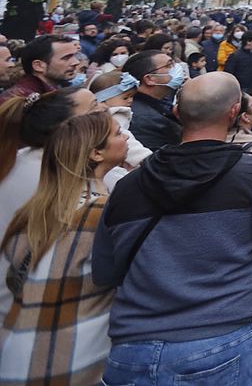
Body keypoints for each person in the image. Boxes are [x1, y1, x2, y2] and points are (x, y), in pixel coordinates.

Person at [92, 73, 252, 386]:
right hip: (219, 338)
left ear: (176, 112)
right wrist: (233, 289)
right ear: (234, 112)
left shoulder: (128, 186)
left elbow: (106, 269)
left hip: (132, 346)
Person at [0, 110, 123, 386]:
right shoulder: (101, 211)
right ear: (96, 154)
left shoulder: (35, 211)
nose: (126, 135)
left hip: (17, 354)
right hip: (72, 359)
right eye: (117, 133)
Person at [0, 87, 96, 235]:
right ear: (65, 126)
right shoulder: (48, 171)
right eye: (94, 109)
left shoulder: (34, 157)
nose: (106, 112)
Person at [89, 71, 151, 190]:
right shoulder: (116, 115)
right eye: (125, 97)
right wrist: (146, 158)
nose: (130, 101)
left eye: (132, 97)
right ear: (103, 100)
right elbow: (129, 143)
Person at [124, 50, 186, 153]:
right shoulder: (144, 120)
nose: (177, 69)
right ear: (149, 79)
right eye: (169, 65)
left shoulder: (161, 101)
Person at [1, 36, 83, 102]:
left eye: (74, 56)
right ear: (38, 66)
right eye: (66, 58)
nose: (76, 62)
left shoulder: (55, 93)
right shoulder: (20, 101)